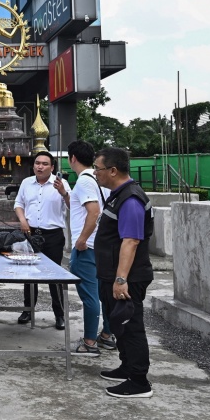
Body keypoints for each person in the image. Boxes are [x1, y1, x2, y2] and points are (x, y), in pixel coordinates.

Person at [93, 147, 155, 398]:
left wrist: (120, 280)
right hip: (111, 274)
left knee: (131, 327)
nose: (95, 173)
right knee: (119, 324)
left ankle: (139, 381)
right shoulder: (118, 195)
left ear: (113, 170)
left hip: (128, 278)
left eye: (98, 169)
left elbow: (131, 241)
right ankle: (127, 366)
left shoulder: (130, 199)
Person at [62, 140, 112, 357]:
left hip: (88, 247)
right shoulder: (99, 178)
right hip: (103, 246)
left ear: (72, 158)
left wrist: (81, 240)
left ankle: (90, 341)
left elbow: (93, 212)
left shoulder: (83, 181)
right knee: (105, 293)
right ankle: (108, 336)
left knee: (90, 296)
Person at [14, 151, 70, 329]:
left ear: (52, 167)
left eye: (45, 164)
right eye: (37, 163)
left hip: (53, 235)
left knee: (54, 275)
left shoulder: (61, 184)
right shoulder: (26, 183)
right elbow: (18, 204)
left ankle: (59, 314)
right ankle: (28, 310)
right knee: (29, 274)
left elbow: (72, 206)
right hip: (31, 234)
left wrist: (63, 193)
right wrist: (23, 220)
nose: (40, 166)